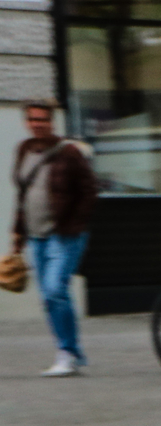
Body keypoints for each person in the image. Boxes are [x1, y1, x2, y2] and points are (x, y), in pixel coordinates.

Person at [12, 97, 99, 378]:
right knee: (49, 298)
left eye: (43, 119)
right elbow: (24, 194)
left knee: (54, 289)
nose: (38, 124)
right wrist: (18, 232)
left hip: (65, 234)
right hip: (36, 235)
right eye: (33, 119)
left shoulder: (69, 152)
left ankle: (67, 353)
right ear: (27, 122)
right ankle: (70, 352)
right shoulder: (24, 149)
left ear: (52, 122)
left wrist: (77, 221)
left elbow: (89, 190)